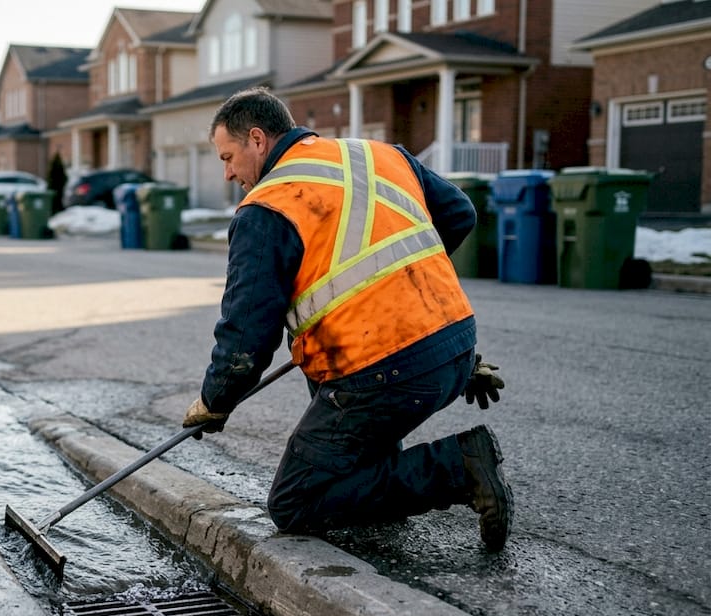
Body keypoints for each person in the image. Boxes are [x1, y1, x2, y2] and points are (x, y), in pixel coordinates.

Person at [182, 87, 512, 552]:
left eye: (228, 156)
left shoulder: (267, 207)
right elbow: (459, 213)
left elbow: (246, 338)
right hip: (454, 346)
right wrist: (414, 300)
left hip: (385, 371)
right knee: (328, 374)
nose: (229, 171)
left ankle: (458, 467)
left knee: (295, 502)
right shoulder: (379, 155)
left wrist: (214, 401)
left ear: (257, 139)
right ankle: (382, 488)